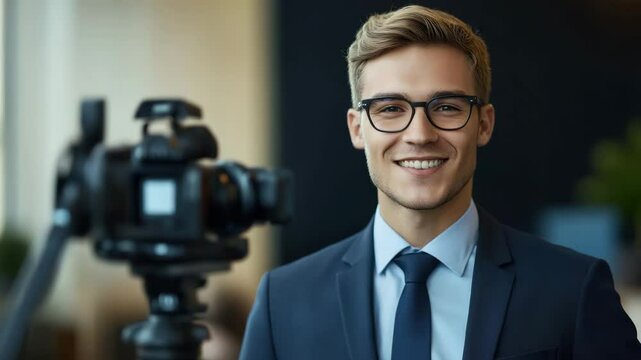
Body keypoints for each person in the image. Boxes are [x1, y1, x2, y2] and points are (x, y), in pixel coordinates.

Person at [239, 5, 641, 360]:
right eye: (391, 108)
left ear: (483, 124)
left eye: (446, 107)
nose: (419, 133)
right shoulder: (284, 301)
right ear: (357, 128)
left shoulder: (572, 290)